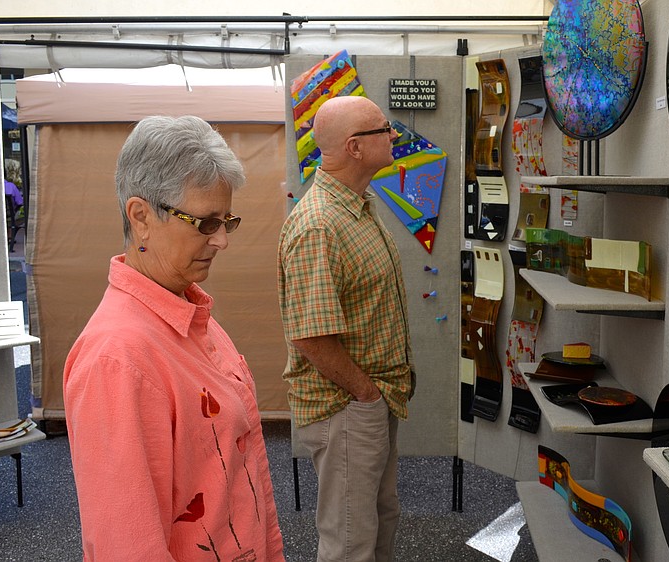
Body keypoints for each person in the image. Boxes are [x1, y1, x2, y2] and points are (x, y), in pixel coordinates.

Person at [64, 115, 285, 562]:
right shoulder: (117, 358)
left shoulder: (185, 311)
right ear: (141, 217)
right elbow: (127, 548)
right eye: (205, 223)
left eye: (226, 221)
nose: (221, 241)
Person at [277, 95, 415, 562]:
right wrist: (367, 395)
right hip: (347, 406)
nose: (393, 134)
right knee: (350, 541)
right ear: (355, 147)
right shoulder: (319, 225)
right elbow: (311, 337)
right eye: (384, 128)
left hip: (369, 400)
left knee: (379, 519)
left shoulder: (356, 207)